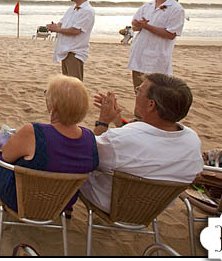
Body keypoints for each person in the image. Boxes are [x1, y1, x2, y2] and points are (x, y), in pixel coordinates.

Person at [80, 73, 203, 212]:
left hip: (111, 203)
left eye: (139, 91)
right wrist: (119, 122)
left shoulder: (119, 140)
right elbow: (144, 139)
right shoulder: (192, 141)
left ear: (151, 104)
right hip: (154, 208)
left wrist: (103, 122)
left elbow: (86, 155)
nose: (136, 93)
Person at [0, 75, 99, 212]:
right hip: (62, 203)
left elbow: (7, 156)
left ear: (53, 107)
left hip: (21, 200)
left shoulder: (35, 132)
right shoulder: (90, 138)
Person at [127, 0, 185, 90]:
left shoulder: (176, 9)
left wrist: (147, 26)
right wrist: (138, 25)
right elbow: (135, 25)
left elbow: (170, 34)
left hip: (157, 61)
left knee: (153, 96)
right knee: (138, 93)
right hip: (139, 57)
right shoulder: (147, 6)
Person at [46, 0, 95, 81]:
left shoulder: (87, 11)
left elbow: (76, 30)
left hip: (75, 51)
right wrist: (54, 27)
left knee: (74, 84)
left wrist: (57, 29)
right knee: (67, 83)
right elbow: (61, 23)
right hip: (65, 50)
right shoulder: (71, 9)